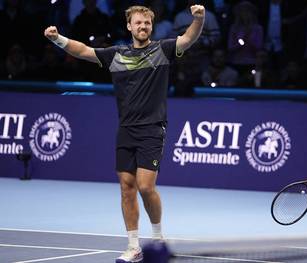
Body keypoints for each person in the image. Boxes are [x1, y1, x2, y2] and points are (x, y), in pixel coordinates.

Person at [44, 4, 205, 263]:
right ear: (129, 26)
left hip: (153, 128)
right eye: (138, 23)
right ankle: (133, 246)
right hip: (126, 130)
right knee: (126, 188)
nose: (143, 27)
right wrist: (58, 39)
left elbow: (188, 38)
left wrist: (199, 19)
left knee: (145, 186)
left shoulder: (162, 50)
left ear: (151, 26)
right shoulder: (116, 54)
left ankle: (158, 238)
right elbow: (84, 51)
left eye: (147, 23)